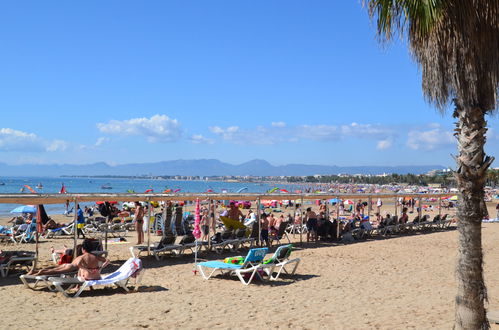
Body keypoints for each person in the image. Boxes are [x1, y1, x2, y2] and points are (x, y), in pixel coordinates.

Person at [28, 240, 109, 281]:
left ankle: (34, 271)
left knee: (53, 269)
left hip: (68, 264)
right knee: (53, 272)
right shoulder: (95, 256)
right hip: (71, 267)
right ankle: (38, 273)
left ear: (83, 249)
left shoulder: (82, 256)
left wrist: (85, 268)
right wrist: (99, 268)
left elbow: (80, 263)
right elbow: (107, 260)